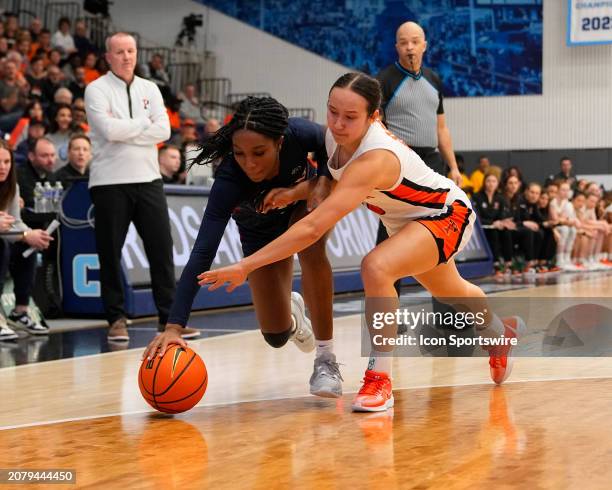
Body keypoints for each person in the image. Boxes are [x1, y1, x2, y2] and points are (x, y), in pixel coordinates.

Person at [198, 73, 525, 412]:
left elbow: (313, 228)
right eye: (332, 112)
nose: (338, 124)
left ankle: (379, 378)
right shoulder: (332, 140)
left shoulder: (375, 157)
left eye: (350, 117)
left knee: (376, 266)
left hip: (445, 213)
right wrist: (298, 191)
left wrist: (245, 265)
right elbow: (330, 180)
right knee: (450, 290)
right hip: (404, 221)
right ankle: (500, 335)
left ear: (374, 118)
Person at [143, 96, 342, 398]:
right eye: (239, 153)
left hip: (302, 208)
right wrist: (173, 325)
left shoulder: (299, 133)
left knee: (311, 247)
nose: (249, 163)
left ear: (279, 142)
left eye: (259, 152)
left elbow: (335, 148)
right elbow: (202, 253)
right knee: (275, 336)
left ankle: (326, 361)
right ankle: (293, 315)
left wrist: (305, 188)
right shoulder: (228, 183)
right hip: (259, 237)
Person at [84, 32, 199, 342]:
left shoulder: (150, 88)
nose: (126, 56)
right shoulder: (96, 89)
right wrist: (143, 127)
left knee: (161, 250)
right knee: (109, 253)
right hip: (109, 182)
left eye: (131, 51)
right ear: (107, 57)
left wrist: (128, 128)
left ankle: (170, 320)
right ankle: (116, 318)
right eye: (119, 52)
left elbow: (164, 128)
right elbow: (107, 130)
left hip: (148, 180)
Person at [375, 21, 462, 296]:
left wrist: (454, 166)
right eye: (403, 42)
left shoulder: (434, 79)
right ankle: (387, 309)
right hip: (400, 162)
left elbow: (441, 127)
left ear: (425, 44)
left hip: (432, 161)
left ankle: (446, 306)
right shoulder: (385, 79)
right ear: (396, 47)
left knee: (439, 230)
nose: (410, 47)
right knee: (390, 230)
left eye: (415, 41)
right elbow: (376, 124)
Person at [0, 144, 53, 339]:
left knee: (26, 244)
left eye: (7, 162)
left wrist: (31, 235)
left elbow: (15, 223)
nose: (3, 167)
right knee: (2, 246)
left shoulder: (12, 187)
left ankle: (20, 312)